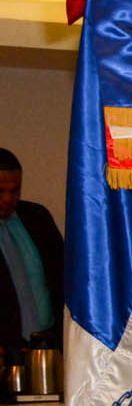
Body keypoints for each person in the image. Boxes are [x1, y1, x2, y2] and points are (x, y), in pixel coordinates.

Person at [0, 148, 64, 357]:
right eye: (0, 191)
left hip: (49, 349)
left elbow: (63, 277)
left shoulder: (37, 217)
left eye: (15, 190)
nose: (8, 199)